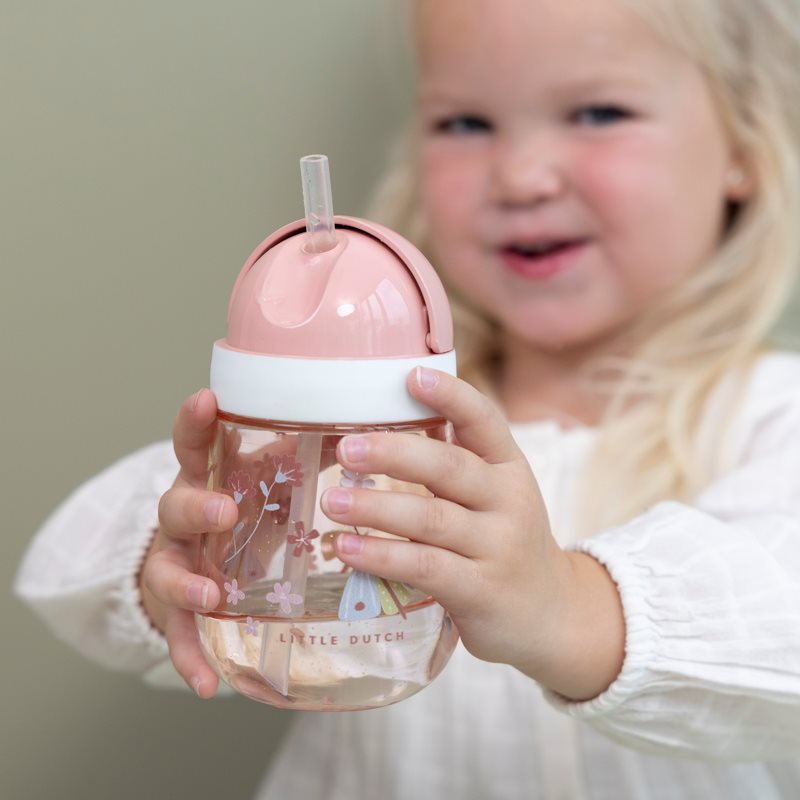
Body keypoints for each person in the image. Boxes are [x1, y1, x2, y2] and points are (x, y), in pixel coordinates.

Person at [15, 0, 800, 796]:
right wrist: (179, 555)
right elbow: (59, 567)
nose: (521, 177)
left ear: (746, 143)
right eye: (465, 123)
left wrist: (565, 608)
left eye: (599, 112)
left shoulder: (774, 416)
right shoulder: (359, 436)